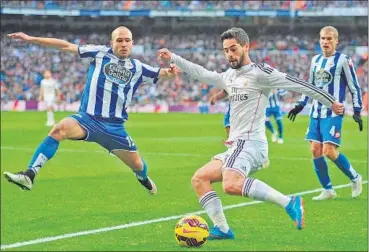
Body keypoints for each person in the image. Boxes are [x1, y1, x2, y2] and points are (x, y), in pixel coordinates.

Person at [158, 27, 344, 239]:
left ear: (246, 46)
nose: (229, 54)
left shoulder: (261, 73)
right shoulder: (229, 76)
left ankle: (289, 202)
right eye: (226, 50)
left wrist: (332, 102)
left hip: (251, 143)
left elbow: (299, 85)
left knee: (230, 184)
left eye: (233, 49)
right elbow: (202, 73)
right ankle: (223, 229)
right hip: (236, 146)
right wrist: (173, 57)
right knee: (199, 179)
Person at [4, 26, 180, 194]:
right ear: (112, 43)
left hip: (115, 128)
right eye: (119, 40)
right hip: (87, 120)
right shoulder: (99, 53)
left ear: (132, 43)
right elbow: (65, 45)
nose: (124, 44)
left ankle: (143, 178)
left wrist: (171, 71)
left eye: (127, 40)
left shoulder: (138, 68)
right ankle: (29, 175)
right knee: (59, 129)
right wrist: (31, 38)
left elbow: (163, 73)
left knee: (138, 165)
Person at [287, 26, 363, 200]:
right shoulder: (315, 60)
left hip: (333, 113)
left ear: (336, 41)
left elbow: (354, 87)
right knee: (315, 149)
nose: (325, 42)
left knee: (329, 151)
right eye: (323, 38)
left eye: (329, 39)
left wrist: (357, 110)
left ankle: (355, 177)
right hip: (315, 113)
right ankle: (328, 189)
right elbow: (310, 86)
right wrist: (300, 104)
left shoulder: (343, 60)